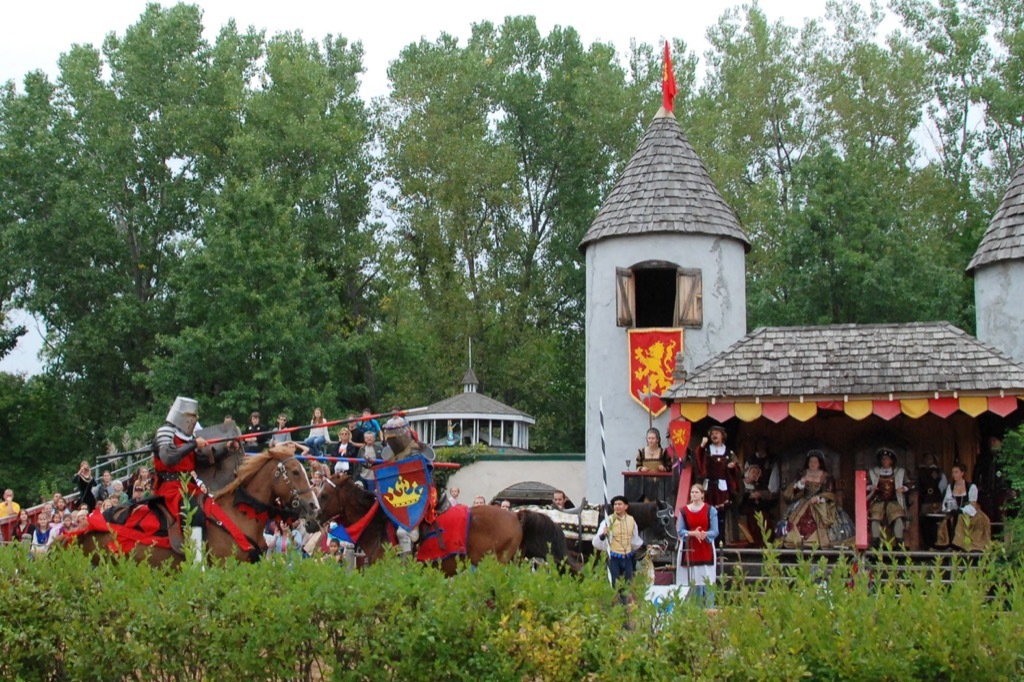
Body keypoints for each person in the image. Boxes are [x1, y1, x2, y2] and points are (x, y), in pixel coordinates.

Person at [152, 396, 210, 556]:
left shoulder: (189, 437)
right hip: (171, 488)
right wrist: (193, 444)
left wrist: (226, 448)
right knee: (194, 512)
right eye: (191, 416)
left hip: (189, 486)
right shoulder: (165, 431)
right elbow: (169, 457)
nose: (193, 420)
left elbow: (200, 461)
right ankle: (196, 558)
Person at [780, 449, 855, 549]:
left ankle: (818, 541)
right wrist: (800, 484)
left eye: (815, 462)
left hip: (820, 504)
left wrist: (819, 498)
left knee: (826, 520)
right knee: (791, 517)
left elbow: (830, 493)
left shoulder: (826, 476)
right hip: (803, 502)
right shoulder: (802, 474)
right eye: (811, 461)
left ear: (819, 463)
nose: (812, 464)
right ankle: (794, 540)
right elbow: (793, 492)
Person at [695, 425, 740, 543]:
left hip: (722, 487)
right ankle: (707, 539)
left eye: (717, 433)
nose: (714, 435)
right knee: (707, 513)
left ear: (722, 436)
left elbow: (737, 468)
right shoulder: (706, 450)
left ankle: (721, 540)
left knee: (721, 514)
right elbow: (698, 459)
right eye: (712, 433)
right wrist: (702, 445)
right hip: (709, 486)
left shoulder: (729, 452)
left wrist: (732, 467)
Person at [676, 483, 719, 606]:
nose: (693, 494)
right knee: (693, 582)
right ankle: (695, 608)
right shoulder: (684, 511)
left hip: (705, 548)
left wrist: (704, 534)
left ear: (702, 494)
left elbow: (715, 531)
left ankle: (710, 608)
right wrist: (693, 533)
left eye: (696, 492)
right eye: (692, 492)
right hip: (690, 549)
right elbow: (680, 531)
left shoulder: (710, 510)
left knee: (707, 580)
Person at [592, 495, 644, 595]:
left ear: (626, 506)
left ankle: (624, 602)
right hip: (614, 558)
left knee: (627, 585)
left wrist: (642, 546)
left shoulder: (631, 520)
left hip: (627, 557)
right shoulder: (607, 521)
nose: (617, 506)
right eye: (615, 504)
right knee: (614, 585)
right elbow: (597, 541)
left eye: (619, 504)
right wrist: (604, 534)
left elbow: (634, 538)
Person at [936, 463, 992, 552]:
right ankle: (950, 544)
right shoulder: (950, 487)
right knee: (948, 520)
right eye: (952, 472)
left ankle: (963, 544)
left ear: (962, 473)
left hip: (971, 512)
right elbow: (947, 501)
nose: (954, 474)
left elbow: (972, 504)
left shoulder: (971, 487)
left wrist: (961, 510)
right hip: (955, 512)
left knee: (962, 518)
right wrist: (951, 509)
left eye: (956, 472)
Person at [868, 447, 911, 548]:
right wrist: (870, 487)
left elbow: (909, 484)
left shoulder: (900, 472)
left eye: (887, 459)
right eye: (883, 459)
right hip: (879, 501)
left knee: (898, 518)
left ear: (892, 461)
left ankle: (899, 544)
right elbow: (865, 484)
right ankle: (876, 544)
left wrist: (903, 488)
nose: (884, 461)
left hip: (893, 501)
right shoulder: (874, 472)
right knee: (875, 519)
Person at [917, 453, 948, 550]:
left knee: (936, 522)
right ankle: (927, 544)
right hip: (924, 500)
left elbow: (943, 487)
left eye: (930, 459)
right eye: (927, 458)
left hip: (936, 499)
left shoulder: (939, 472)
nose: (928, 460)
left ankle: (936, 543)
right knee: (925, 522)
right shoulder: (920, 471)